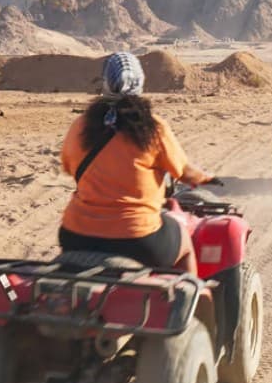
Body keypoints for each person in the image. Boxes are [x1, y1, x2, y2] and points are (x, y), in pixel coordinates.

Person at [59, 52, 218, 274]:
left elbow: (68, 165)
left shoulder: (81, 126)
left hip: (76, 235)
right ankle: (192, 300)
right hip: (137, 238)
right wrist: (207, 178)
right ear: (140, 82)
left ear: (105, 83)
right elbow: (183, 172)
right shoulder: (153, 128)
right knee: (184, 241)